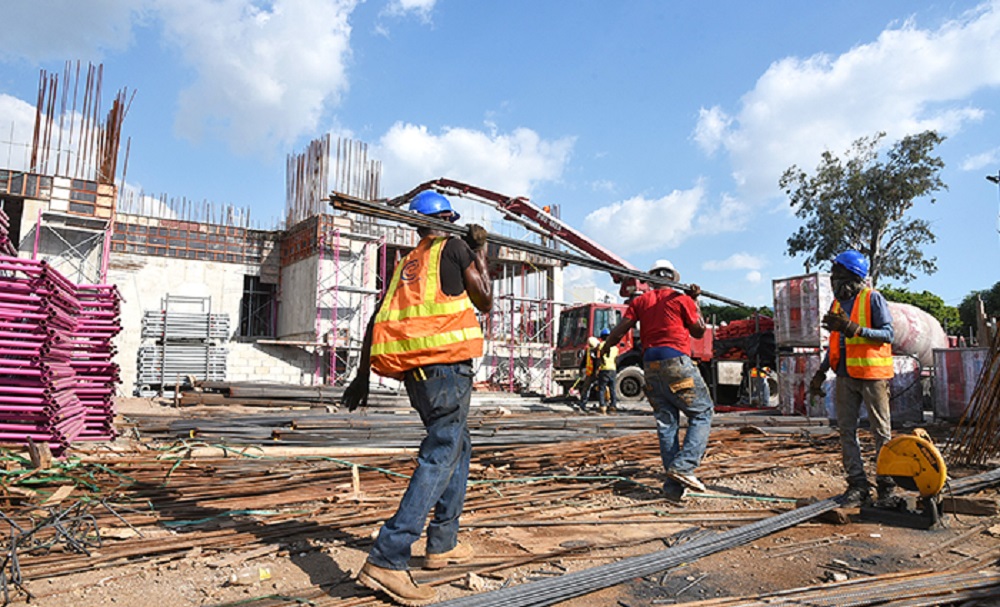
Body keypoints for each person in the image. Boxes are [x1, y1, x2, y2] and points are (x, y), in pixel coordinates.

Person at [352, 190, 493, 606]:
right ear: (448, 220)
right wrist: (480, 250)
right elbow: (485, 299)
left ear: (417, 225)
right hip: (446, 369)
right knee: (441, 453)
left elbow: (377, 319)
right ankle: (388, 556)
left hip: (417, 375)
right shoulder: (456, 247)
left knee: (458, 445)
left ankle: (443, 543)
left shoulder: (407, 265)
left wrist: (361, 375)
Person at [601, 259, 714, 501]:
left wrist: (606, 346)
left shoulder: (640, 301)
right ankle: (684, 466)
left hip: (650, 365)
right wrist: (695, 301)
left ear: (650, 281)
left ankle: (673, 489)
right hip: (676, 362)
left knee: (666, 423)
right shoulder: (681, 299)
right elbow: (698, 331)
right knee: (702, 412)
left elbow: (622, 328)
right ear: (673, 279)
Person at [808, 249, 895, 507]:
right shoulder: (837, 305)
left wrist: (855, 329)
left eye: (838, 276)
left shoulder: (872, 299)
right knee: (847, 430)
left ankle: (886, 485)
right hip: (845, 376)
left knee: (881, 432)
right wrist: (821, 371)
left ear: (853, 278)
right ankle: (857, 485)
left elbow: (888, 334)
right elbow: (835, 343)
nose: (834, 281)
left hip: (872, 376)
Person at [596, 327, 619, 414]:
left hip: (604, 369)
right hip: (613, 369)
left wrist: (597, 369)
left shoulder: (601, 345)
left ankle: (602, 406)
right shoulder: (615, 348)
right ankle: (613, 405)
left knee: (602, 389)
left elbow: (598, 357)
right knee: (612, 389)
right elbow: (616, 359)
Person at [577, 335, 602, 411]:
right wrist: (581, 369)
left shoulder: (598, 351)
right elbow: (585, 361)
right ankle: (583, 403)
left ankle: (602, 404)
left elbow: (598, 361)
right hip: (592, 373)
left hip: (596, 373)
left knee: (599, 389)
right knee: (587, 388)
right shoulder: (590, 350)